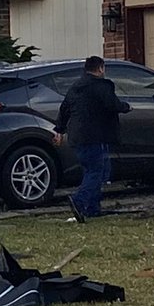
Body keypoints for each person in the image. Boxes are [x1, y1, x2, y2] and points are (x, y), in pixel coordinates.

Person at [53, 55, 130, 222]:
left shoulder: (75, 87)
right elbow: (112, 105)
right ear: (100, 68)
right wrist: (126, 107)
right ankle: (79, 201)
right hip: (96, 136)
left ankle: (93, 209)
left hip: (77, 137)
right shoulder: (102, 86)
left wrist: (59, 130)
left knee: (92, 171)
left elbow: (65, 109)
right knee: (96, 172)